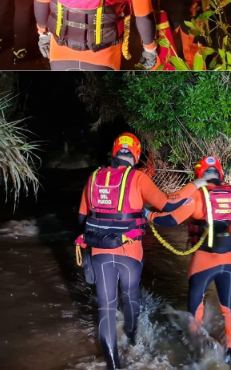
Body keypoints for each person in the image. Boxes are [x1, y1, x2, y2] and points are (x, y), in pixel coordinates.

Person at [75, 133, 199, 369]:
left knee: (107, 308)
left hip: (100, 252)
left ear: (114, 152)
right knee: (131, 296)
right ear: (136, 154)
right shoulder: (138, 177)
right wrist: (197, 184)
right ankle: (131, 339)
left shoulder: (93, 178)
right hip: (130, 253)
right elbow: (169, 204)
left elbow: (82, 218)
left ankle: (113, 364)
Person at [150, 156, 231, 363]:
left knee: (195, 306)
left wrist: (148, 215)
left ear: (199, 175)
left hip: (203, 262)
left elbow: (170, 219)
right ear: (220, 174)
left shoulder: (198, 196)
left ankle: (196, 350)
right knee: (230, 309)